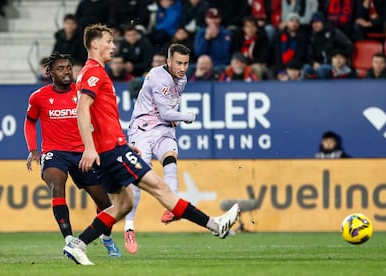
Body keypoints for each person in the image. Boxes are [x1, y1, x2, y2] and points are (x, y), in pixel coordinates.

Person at [63, 24, 240, 265]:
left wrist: (123, 144)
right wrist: (90, 148)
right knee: (161, 188)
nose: (114, 46)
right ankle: (215, 225)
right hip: (111, 151)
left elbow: (99, 117)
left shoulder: (88, 72)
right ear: (95, 44)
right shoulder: (95, 73)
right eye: (109, 41)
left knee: (123, 204)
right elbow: (82, 110)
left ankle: (79, 244)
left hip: (113, 149)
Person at [24, 52, 122, 258]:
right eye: (61, 68)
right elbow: (30, 121)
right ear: (50, 72)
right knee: (56, 185)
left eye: (69, 67)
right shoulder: (38, 96)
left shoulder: (83, 93)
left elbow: (99, 120)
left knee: (105, 203)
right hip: (54, 152)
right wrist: (33, 149)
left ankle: (107, 238)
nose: (67, 72)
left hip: (82, 153)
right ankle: (69, 240)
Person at [123, 43, 199, 254]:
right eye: (178, 63)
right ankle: (129, 228)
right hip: (142, 130)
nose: (183, 68)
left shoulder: (181, 79)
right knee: (139, 179)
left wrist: (173, 117)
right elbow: (166, 112)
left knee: (171, 160)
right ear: (168, 61)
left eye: (186, 63)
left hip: (163, 130)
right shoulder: (159, 77)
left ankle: (171, 208)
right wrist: (187, 117)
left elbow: (168, 111)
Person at [194, 8, 233, 72]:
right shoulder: (201, 32)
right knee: (190, 69)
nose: (213, 21)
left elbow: (222, 54)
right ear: (206, 19)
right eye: (211, 18)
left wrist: (215, 38)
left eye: (216, 18)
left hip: (220, 65)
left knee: (217, 70)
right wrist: (206, 39)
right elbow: (198, 53)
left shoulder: (226, 33)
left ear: (220, 19)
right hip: (203, 65)